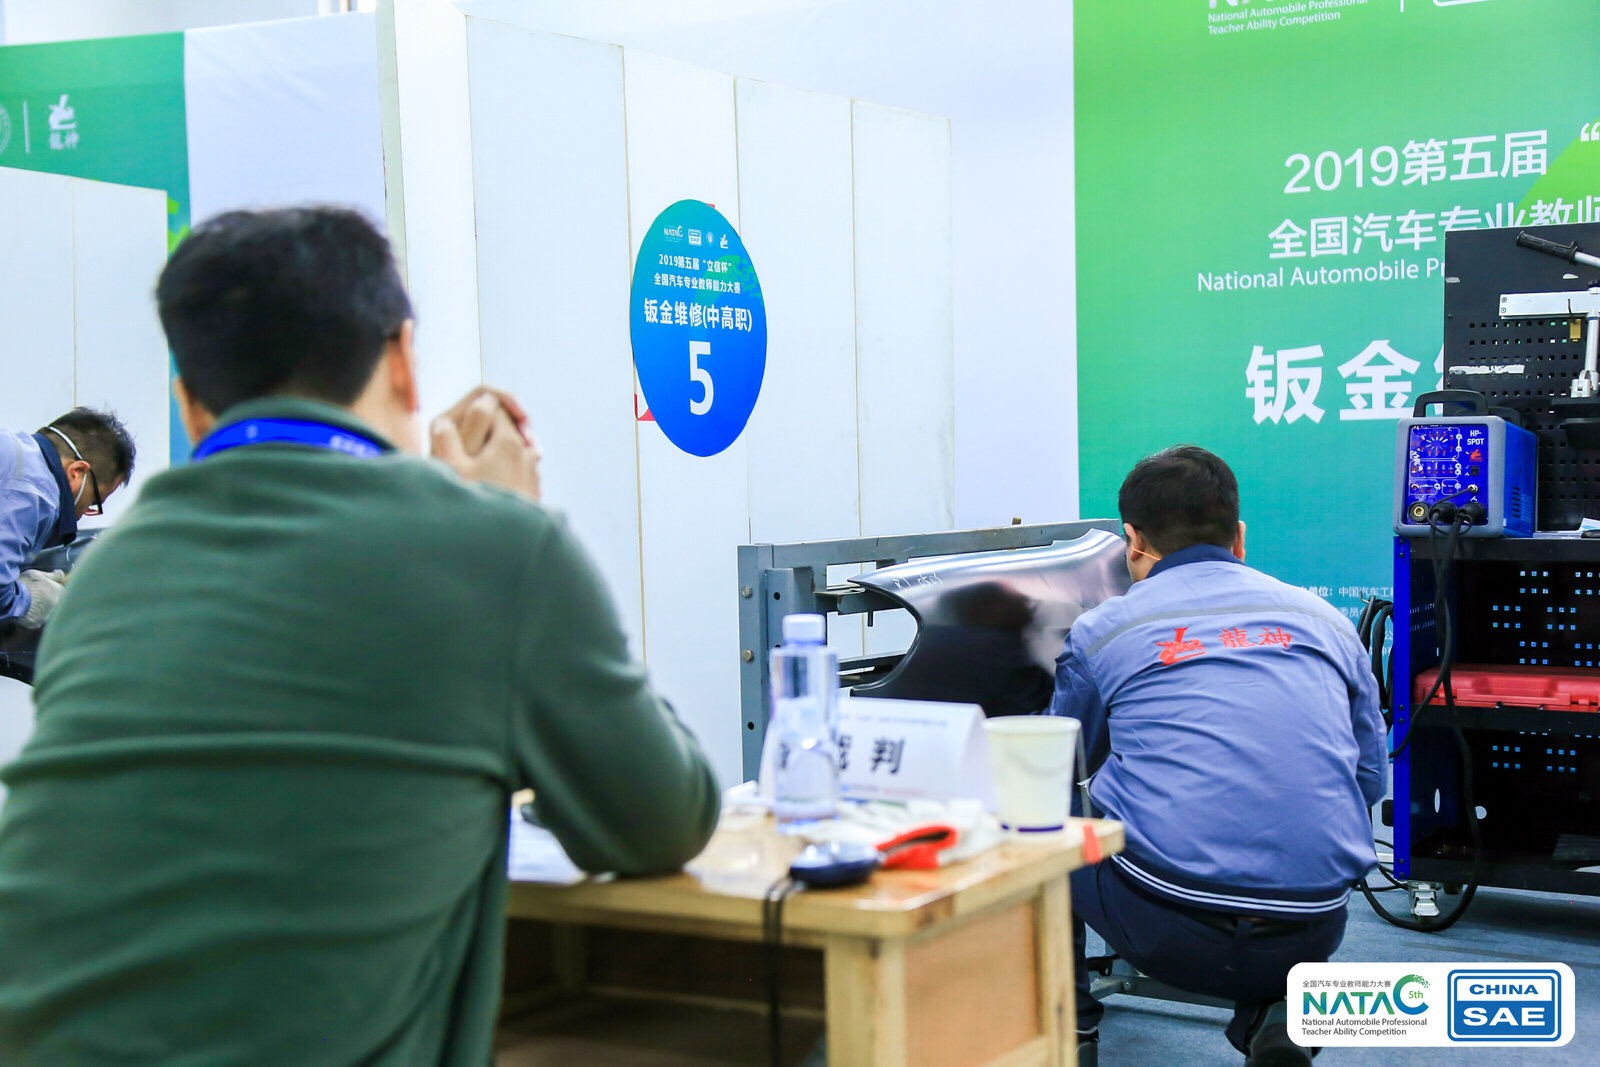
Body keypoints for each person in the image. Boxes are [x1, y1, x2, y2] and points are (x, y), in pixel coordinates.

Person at [0, 207, 721, 1065]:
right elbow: (660, 819)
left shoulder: (107, 578)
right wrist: (496, 517)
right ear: (403, 361)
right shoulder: (494, 547)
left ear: (190, 405)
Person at [1048, 446, 1386, 1067]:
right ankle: (1276, 1011)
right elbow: (1367, 776)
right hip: (1314, 926)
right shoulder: (1326, 622)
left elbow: (1056, 770)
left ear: (1133, 542)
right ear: (1240, 535)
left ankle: (1071, 1034)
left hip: (1167, 930)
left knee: (1044, 826)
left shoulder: (1105, 630)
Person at [0, 408, 135, 629]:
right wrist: (28, 600)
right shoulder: (35, 492)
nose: (82, 515)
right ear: (77, 472)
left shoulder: (14, 453)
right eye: (93, 502)